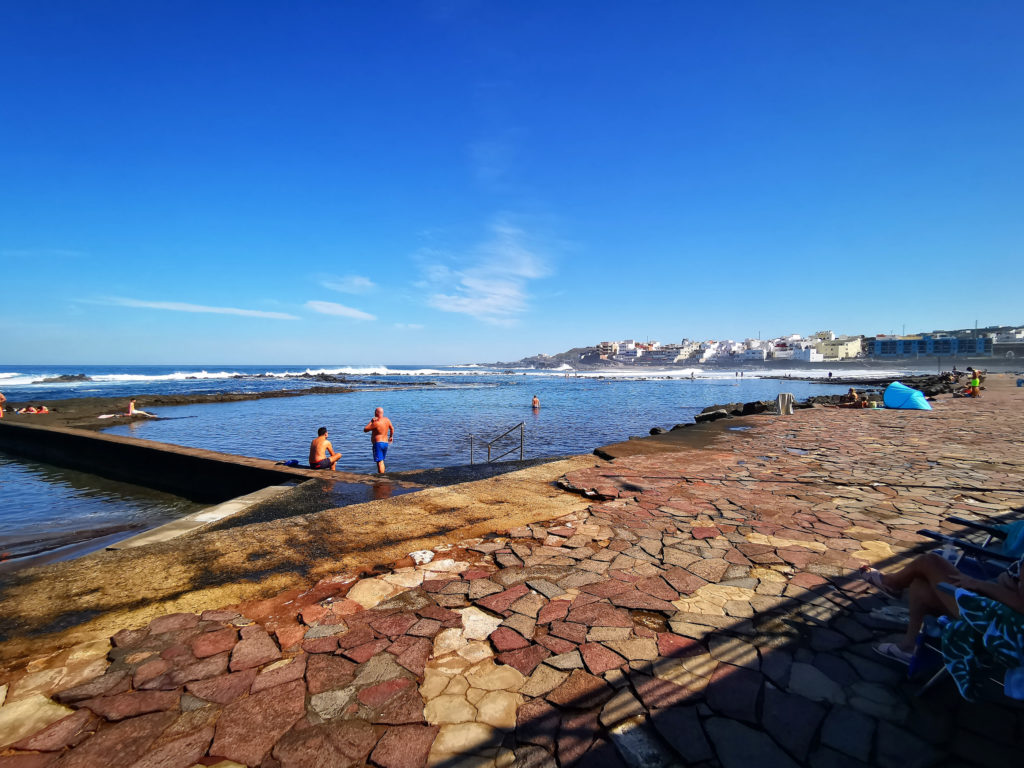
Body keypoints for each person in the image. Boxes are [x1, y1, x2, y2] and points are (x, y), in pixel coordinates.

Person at [860, 553, 1024, 663]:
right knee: (921, 584)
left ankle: (892, 584)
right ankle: (909, 646)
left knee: (929, 562)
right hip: (996, 607)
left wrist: (978, 584)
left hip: (996, 618)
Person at [363, 407, 394, 474]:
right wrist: (391, 436)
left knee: (379, 462)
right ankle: (382, 474)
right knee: (381, 460)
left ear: (376, 413)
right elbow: (392, 428)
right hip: (385, 443)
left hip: (378, 443)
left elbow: (365, 429)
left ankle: (381, 476)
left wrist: (371, 421)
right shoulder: (387, 420)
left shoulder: (376, 423)